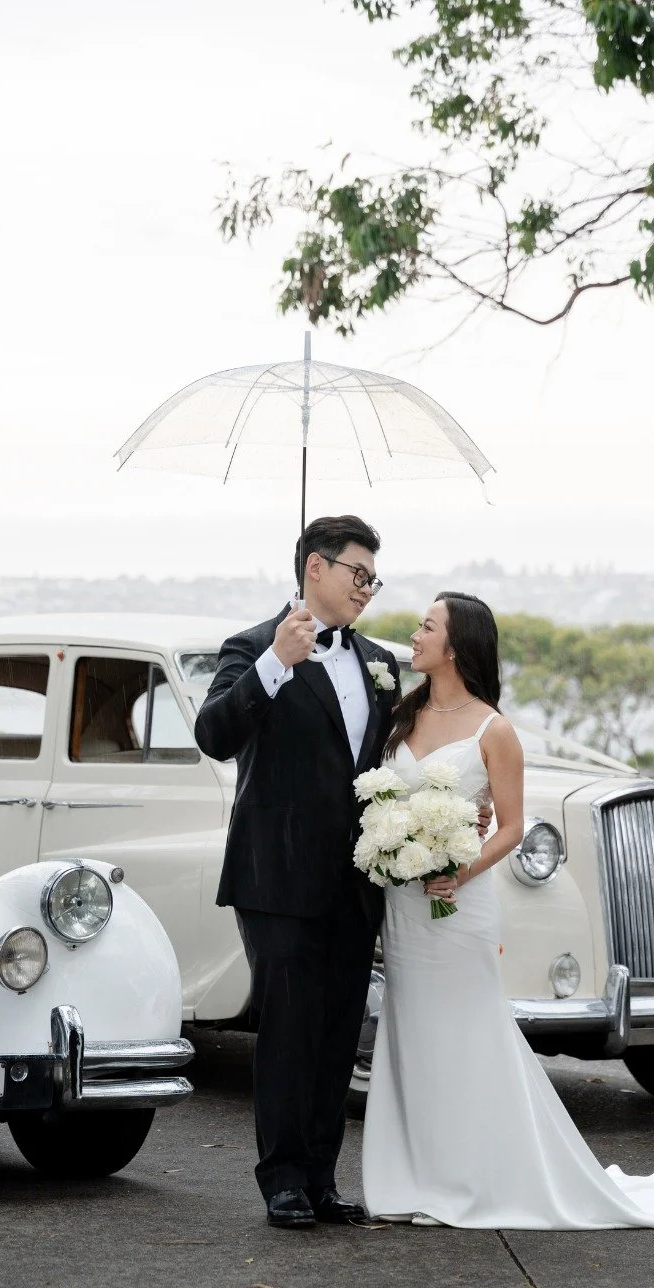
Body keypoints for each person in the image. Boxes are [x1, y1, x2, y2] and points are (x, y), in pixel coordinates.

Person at [361, 591, 654, 1229]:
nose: (415, 632)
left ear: (455, 646)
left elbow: (510, 828)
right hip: (404, 905)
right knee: (411, 1036)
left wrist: (461, 869)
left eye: (427, 626)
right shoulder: (402, 716)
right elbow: (385, 795)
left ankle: (472, 1177)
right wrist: (393, 842)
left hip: (458, 907)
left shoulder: (495, 729)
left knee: (465, 1035)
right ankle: (413, 1176)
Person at [194, 515, 400, 1229]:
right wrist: (275, 664)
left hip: (354, 879)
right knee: (288, 1028)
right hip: (275, 878)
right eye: (359, 574)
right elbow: (213, 735)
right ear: (316, 568)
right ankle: (281, 1179)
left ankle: (320, 1179)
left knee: (340, 1031)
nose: (368, 588)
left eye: (375, 578)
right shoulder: (252, 648)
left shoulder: (379, 661)